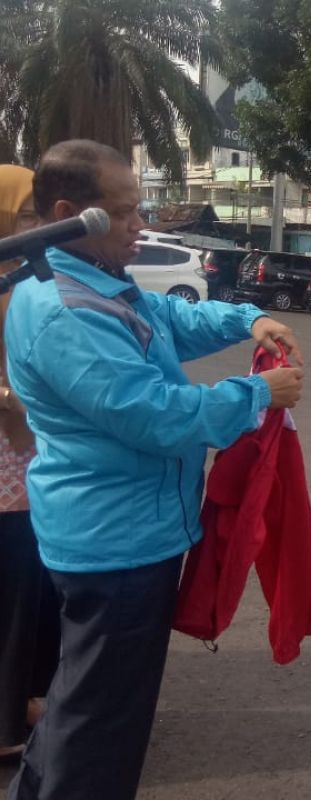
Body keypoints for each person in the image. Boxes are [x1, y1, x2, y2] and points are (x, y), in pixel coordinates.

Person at [5, 140, 304, 800]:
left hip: (114, 533)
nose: (140, 225)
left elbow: (167, 316)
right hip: (117, 547)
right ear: (67, 212)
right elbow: (152, 414)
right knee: (102, 734)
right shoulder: (64, 310)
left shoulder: (89, 282)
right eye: (125, 212)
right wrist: (257, 395)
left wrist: (246, 318)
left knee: (77, 702)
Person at [0, 165, 57, 766]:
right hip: (8, 468)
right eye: (22, 216)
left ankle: (23, 701)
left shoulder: (27, 282)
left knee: (29, 594)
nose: (33, 227)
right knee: (14, 595)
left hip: (26, 465)